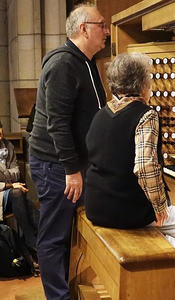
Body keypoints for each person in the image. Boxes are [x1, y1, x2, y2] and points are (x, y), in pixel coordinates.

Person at [85, 53, 175, 300]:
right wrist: (159, 205)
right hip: (127, 211)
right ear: (143, 84)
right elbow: (145, 167)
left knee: (168, 231)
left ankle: (167, 287)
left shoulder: (102, 113)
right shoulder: (146, 114)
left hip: (97, 206)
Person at [29, 4, 109, 299]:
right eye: (101, 25)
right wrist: (72, 170)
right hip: (56, 166)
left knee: (67, 233)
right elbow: (57, 124)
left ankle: (70, 288)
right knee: (53, 237)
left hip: (70, 164)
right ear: (83, 28)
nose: (107, 31)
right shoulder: (64, 64)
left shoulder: (85, 62)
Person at [0, 121, 37, 259]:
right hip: (5, 191)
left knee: (20, 196)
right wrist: (10, 184)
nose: (0, 138)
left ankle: (33, 245)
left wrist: (5, 177)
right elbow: (13, 174)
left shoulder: (8, 145)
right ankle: (34, 242)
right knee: (18, 194)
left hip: (10, 192)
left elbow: (16, 171)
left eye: (1, 133)